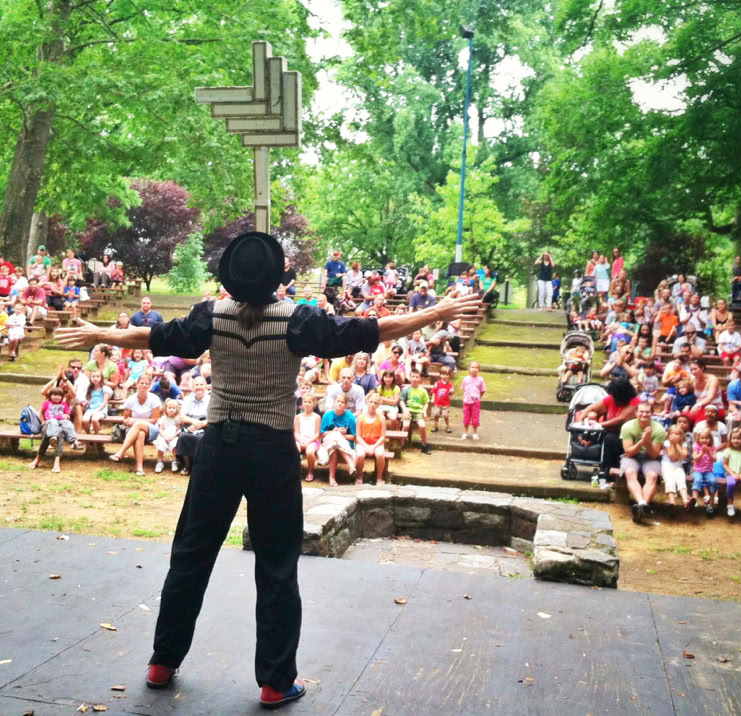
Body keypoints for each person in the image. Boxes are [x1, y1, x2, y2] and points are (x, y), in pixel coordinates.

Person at [56, 232, 483, 707]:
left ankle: (162, 662)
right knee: (277, 566)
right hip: (272, 450)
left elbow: (152, 338)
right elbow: (373, 330)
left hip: (218, 448)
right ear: (278, 275)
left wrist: (99, 335)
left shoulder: (209, 316)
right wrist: (439, 313)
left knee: (191, 555)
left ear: (231, 278)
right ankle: (275, 682)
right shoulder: (298, 321)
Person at [108, 374, 162, 476]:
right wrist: (128, 421)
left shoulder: (154, 399)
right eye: (142, 383)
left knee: (139, 425)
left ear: (149, 386)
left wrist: (136, 421)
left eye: (147, 384)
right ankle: (139, 468)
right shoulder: (130, 399)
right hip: (134, 430)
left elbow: (155, 420)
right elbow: (126, 418)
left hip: (151, 429)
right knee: (140, 434)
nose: (144, 385)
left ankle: (120, 453)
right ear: (137, 384)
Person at [620, 401, 665, 522]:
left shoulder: (659, 429)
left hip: (650, 457)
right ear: (636, 412)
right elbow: (628, 452)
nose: (644, 414)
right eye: (641, 411)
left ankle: (640, 509)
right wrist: (642, 442)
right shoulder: (627, 427)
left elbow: (654, 454)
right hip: (632, 456)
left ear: (652, 414)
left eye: (647, 412)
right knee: (630, 472)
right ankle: (642, 503)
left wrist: (648, 442)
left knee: (653, 475)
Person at [28, 387, 79, 473]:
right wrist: (43, 421)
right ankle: (53, 461)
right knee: (53, 432)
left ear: (62, 396)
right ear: (50, 396)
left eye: (59, 395)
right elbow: (41, 412)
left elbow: (67, 415)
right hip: (49, 424)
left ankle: (43, 460)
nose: (56, 397)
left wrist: (65, 417)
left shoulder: (64, 404)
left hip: (61, 424)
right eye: (54, 395)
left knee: (60, 432)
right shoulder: (47, 403)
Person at [319, 393, 358, 485]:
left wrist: (341, 435)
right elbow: (322, 434)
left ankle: (331, 479)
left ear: (346, 405)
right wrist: (335, 431)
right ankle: (351, 464)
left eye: (342, 402)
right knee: (335, 437)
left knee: (335, 447)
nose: (340, 403)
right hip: (328, 443)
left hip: (346, 444)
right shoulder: (327, 415)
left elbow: (354, 437)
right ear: (334, 402)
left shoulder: (351, 417)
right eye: (338, 401)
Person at [174, 377, 209, 476]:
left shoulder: (211, 399)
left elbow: (212, 418)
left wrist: (201, 424)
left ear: (206, 386)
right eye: (196, 385)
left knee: (201, 439)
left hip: (205, 425)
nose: (199, 387)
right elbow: (182, 417)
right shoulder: (188, 398)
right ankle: (187, 465)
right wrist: (193, 422)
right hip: (190, 423)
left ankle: (199, 466)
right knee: (184, 436)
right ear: (193, 387)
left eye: (201, 384)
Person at [355, 392, 386, 485]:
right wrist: (366, 446)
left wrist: (373, 447)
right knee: (360, 455)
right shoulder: (360, 418)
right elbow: (358, 436)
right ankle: (359, 477)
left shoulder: (381, 418)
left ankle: (379, 478)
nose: (372, 405)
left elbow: (382, 436)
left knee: (380, 454)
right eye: (371, 402)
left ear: (378, 404)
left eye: (375, 403)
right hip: (363, 443)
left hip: (377, 443)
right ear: (367, 402)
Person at [400, 371, 431, 453]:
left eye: (417, 377)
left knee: (422, 426)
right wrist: (405, 410)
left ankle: (424, 445)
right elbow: (401, 401)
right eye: (413, 376)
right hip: (408, 411)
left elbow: (426, 402)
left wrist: (424, 411)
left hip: (418, 411)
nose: (414, 379)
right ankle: (401, 444)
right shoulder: (406, 389)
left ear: (420, 378)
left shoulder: (423, 391)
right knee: (406, 425)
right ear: (410, 378)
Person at [661, 424, 691, 507]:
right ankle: (672, 502)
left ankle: (686, 501)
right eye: (672, 434)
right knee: (670, 480)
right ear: (668, 435)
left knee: (681, 479)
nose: (674, 436)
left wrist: (677, 444)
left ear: (681, 436)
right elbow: (672, 457)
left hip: (678, 467)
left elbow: (685, 455)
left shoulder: (683, 443)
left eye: (677, 434)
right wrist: (674, 445)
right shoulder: (667, 443)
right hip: (667, 467)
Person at [154, 398, 183, 473]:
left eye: (174, 408)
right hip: (164, 436)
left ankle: (174, 461)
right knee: (161, 445)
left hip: (173, 436)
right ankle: (159, 462)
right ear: (166, 409)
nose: (171, 410)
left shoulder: (178, 419)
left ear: (177, 409)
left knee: (174, 445)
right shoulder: (163, 418)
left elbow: (179, 430)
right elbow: (160, 429)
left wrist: (173, 436)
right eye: (169, 408)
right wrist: (165, 436)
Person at [82, 369, 112, 435]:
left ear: (101, 378)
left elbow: (104, 402)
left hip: (101, 410)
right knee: (85, 420)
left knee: (94, 419)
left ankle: (97, 436)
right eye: (93, 376)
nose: (95, 378)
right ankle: (89, 436)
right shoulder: (90, 388)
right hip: (90, 409)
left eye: (98, 376)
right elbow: (89, 401)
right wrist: (86, 403)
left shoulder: (105, 388)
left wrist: (96, 411)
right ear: (90, 378)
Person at [460, 360, 485, 440]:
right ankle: (465, 432)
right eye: (472, 367)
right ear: (469, 369)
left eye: (476, 367)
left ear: (479, 370)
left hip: (476, 403)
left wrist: (478, 397)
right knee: (466, 417)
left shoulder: (480, 380)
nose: (474, 369)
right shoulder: (465, 379)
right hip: (466, 401)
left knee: (475, 417)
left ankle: (475, 433)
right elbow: (463, 389)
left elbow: (483, 390)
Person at [430, 366, 454, 433]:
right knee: (436, 415)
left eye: (446, 374)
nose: (444, 376)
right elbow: (434, 392)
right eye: (443, 374)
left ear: (449, 376)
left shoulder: (450, 385)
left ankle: (448, 426)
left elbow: (451, 394)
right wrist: (432, 399)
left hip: (445, 404)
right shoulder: (437, 384)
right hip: (437, 403)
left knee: (446, 415)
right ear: (440, 375)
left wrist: (451, 392)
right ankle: (435, 425)